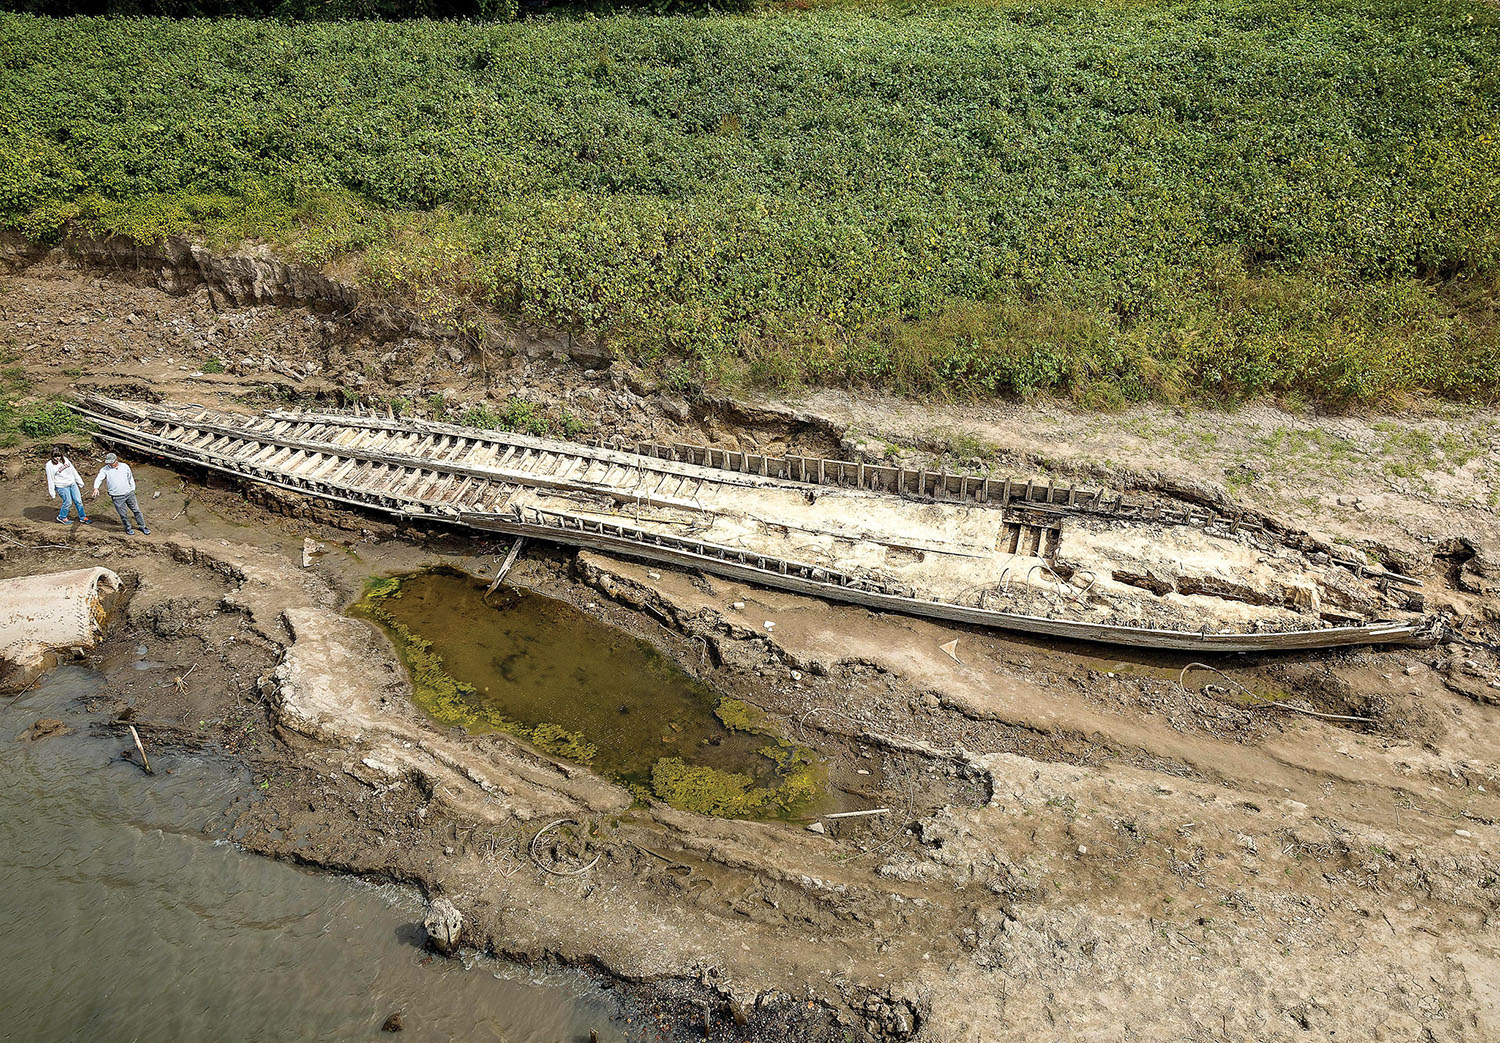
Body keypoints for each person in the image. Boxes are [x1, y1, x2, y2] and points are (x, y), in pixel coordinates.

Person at [92, 452, 150, 535]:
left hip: (129, 494)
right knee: (123, 514)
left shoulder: (125, 466)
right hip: (117, 497)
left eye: (112, 463)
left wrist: (132, 489)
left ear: (116, 461)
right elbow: (99, 478)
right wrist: (96, 488)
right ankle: (128, 528)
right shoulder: (104, 470)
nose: (110, 465)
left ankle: (142, 526)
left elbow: (130, 478)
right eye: (109, 463)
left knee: (136, 510)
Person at [45, 446, 90, 525]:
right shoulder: (49, 465)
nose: (57, 458)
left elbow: (73, 470)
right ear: (52, 456)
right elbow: (50, 478)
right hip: (61, 486)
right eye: (55, 456)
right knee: (68, 502)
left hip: (72, 483)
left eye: (58, 456)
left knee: (78, 501)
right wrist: (52, 492)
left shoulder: (65, 460)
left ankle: (82, 517)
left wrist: (79, 481)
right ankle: (62, 517)